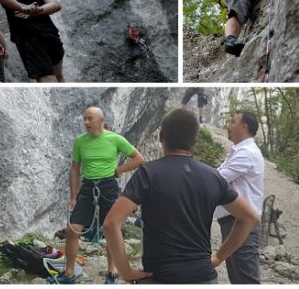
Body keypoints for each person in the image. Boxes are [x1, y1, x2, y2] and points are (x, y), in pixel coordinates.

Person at [103, 109, 259, 284]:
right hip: (204, 278)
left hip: (160, 277)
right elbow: (249, 217)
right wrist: (218, 258)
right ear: (194, 142)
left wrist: (126, 272)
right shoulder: (213, 176)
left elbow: (111, 223)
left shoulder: (148, 173)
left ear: (161, 137)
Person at [54, 107, 145, 284]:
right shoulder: (80, 141)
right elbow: (74, 169)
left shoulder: (115, 139)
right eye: (85, 119)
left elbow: (139, 159)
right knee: (73, 229)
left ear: (100, 120)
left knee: (110, 229)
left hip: (108, 185)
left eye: (90, 119)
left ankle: (111, 272)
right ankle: (69, 272)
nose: (86, 122)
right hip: (88, 186)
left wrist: (117, 171)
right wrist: (73, 197)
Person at [214, 111, 265, 283]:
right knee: (239, 280)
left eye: (232, 121)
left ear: (243, 127)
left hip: (241, 224)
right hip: (232, 222)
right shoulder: (239, 151)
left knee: (246, 280)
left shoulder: (247, 153)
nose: (228, 125)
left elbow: (218, 180)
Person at [0, 0, 64, 83]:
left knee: (46, 77)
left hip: (29, 37)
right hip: (51, 34)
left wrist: (23, 8)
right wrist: (38, 10)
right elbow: (56, 4)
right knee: (59, 77)